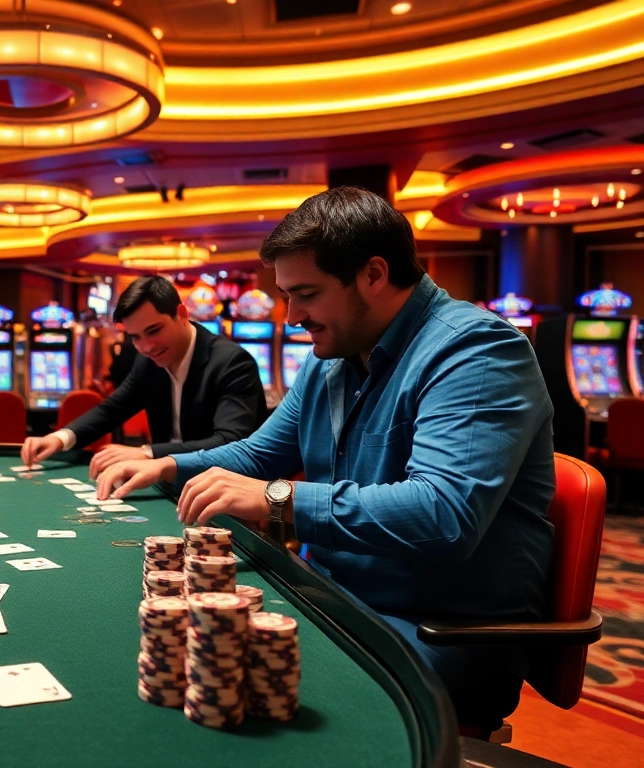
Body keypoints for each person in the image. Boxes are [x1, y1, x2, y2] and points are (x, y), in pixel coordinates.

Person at [95, 187, 556, 735]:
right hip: (336, 601)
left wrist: (276, 498)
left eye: (306, 294)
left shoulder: (476, 351)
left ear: (374, 275)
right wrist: (165, 466)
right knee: (185, 658)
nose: (292, 317)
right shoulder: (331, 358)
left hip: (433, 630)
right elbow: (261, 453)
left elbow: (444, 515)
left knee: (231, 689)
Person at [20, 276, 266, 476]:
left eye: (154, 330)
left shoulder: (232, 363)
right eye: (135, 337)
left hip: (221, 488)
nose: (147, 347)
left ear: (181, 314)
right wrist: (60, 438)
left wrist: (146, 453)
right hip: (167, 483)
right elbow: (112, 409)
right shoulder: (148, 361)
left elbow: (229, 442)